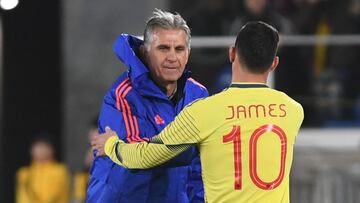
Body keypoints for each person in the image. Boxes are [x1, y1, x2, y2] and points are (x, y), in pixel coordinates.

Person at [92, 21, 304, 203]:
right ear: (274, 63)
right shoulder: (293, 111)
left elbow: (146, 156)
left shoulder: (204, 111)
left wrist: (111, 144)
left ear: (232, 53)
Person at [86, 9, 208, 203]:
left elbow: (200, 168)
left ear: (188, 53)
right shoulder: (124, 95)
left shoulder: (198, 94)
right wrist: (199, 145)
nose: (172, 57)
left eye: (179, 49)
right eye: (163, 48)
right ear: (145, 52)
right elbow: (140, 156)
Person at [15, 135, 70, 203]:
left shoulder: (60, 170)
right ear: (31, 150)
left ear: (52, 150)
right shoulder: (24, 173)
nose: (41, 150)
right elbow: (22, 198)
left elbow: (51, 197)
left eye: (45, 146)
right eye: (38, 147)